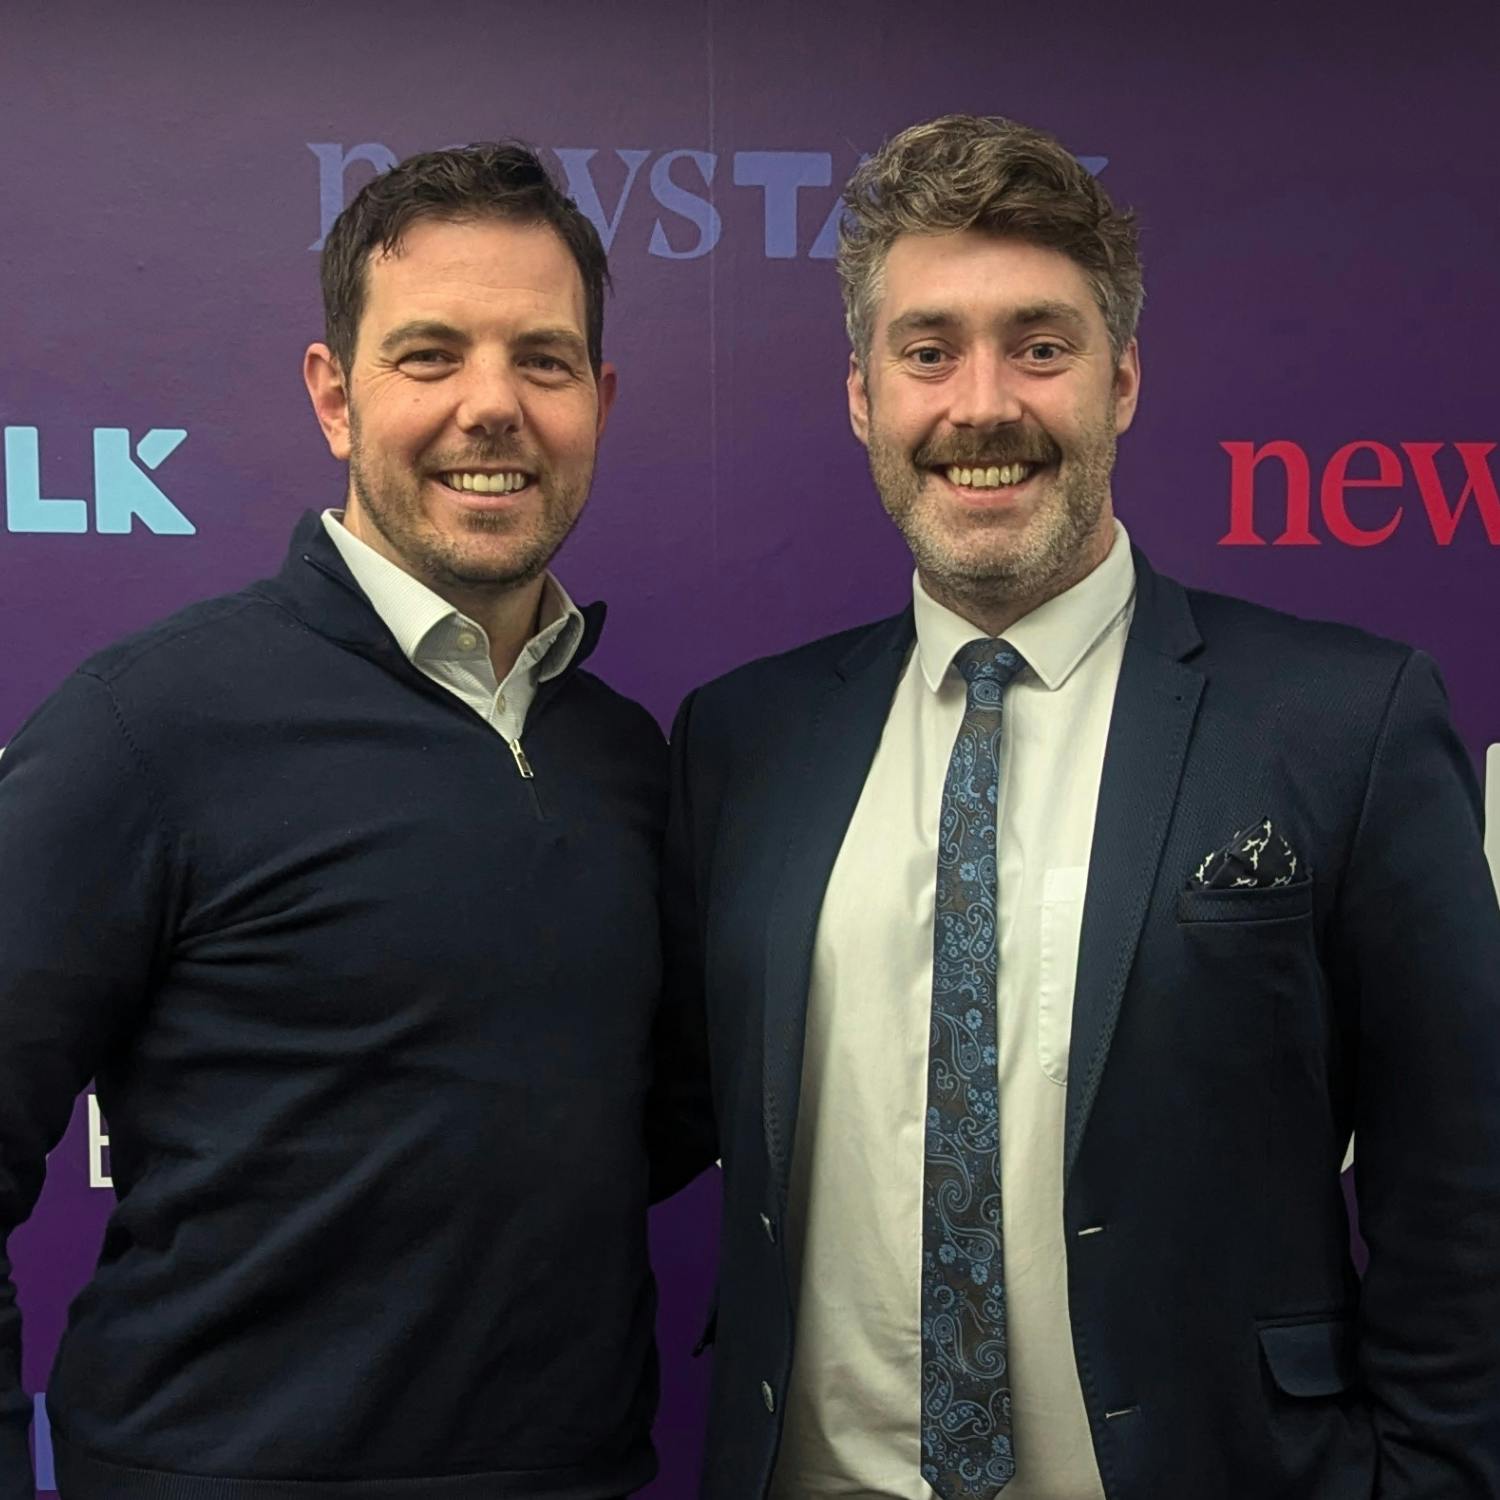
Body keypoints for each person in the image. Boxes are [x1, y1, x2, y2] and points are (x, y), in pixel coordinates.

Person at [666, 115, 1500, 1499]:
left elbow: (1461, 1187)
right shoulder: (744, 741)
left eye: (1041, 346)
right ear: (864, 397)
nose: (982, 404)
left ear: (1122, 381)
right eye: (928, 351)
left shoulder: (1343, 721)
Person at [0, 142, 706, 1500]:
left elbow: (647, 1127)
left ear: (598, 402)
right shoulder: (147, 725)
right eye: (429, 356)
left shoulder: (627, 757)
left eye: (544, 361)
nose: (491, 407)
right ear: (335, 396)